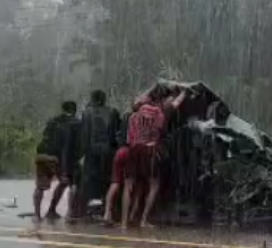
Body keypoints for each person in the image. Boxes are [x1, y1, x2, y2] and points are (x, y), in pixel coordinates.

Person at [123, 87, 189, 229]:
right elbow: (177, 102)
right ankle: (143, 220)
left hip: (134, 149)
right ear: (162, 99)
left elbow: (136, 101)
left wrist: (153, 86)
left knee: (130, 185)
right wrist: (185, 91)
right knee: (154, 184)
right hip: (150, 150)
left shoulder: (138, 108)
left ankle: (125, 221)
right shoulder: (162, 111)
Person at [79, 89, 120, 219]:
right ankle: (106, 209)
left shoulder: (86, 113)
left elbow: (85, 134)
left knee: (89, 180)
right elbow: (115, 133)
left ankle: (84, 209)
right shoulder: (113, 111)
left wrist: (83, 152)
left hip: (91, 151)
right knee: (107, 180)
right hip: (108, 151)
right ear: (103, 99)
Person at [33, 101, 77, 221]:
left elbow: (45, 136)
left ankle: (37, 215)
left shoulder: (52, 120)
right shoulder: (73, 123)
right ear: (74, 110)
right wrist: (64, 167)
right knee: (69, 183)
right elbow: (66, 146)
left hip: (41, 153)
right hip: (56, 157)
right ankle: (65, 213)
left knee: (40, 186)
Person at [103, 112, 132, 225]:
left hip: (120, 151)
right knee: (128, 185)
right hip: (130, 151)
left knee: (114, 183)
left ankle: (107, 213)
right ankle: (125, 220)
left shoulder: (125, 117)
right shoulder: (139, 118)